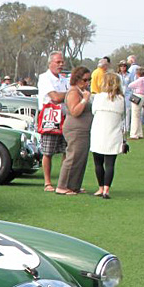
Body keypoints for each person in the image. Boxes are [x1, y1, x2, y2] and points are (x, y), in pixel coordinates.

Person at [55, 66, 92, 195]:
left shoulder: (82, 91)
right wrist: (85, 100)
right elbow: (75, 111)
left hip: (83, 130)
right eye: (85, 80)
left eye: (89, 80)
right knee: (72, 157)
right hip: (75, 129)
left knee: (81, 158)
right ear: (77, 79)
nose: (87, 83)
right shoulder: (73, 92)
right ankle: (62, 186)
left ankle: (74, 185)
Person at [90, 72, 126, 199]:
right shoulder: (121, 99)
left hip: (98, 133)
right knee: (110, 164)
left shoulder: (98, 98)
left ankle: (100, 188)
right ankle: (106, 189)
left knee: (98, 163)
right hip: (114, 133)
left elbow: (93, 111)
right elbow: (123, 117)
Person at [37, 52, 69, 191]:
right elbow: (55, 97)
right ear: (50, 63)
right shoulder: (44, 78)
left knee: (66, 151)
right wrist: (68, 94)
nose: (61, 65)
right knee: (48, 151)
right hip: (50, 117)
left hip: (65, 117)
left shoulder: (64, 79)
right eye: (58, 62)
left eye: (62, 62)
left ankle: (63, 182)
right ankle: (47, 182)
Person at [127, 67, 144, 140]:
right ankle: (139, 133)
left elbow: (130, 85)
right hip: (142, 96)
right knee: (138, 115)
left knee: (135, 116)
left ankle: (134, 134)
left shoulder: (139, 80)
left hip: (137, 96)